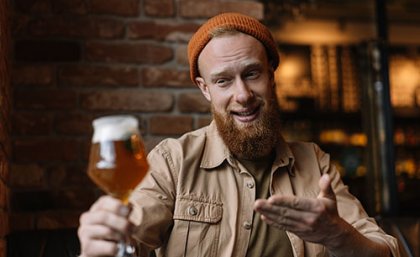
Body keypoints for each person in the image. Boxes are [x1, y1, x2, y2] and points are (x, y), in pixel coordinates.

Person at [77, 12, 400, 257]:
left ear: (271, 76)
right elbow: (130, 237)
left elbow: (387, 250)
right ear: (205, 89)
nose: (243, 94)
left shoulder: (315, 163)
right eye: (223, 81)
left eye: (252, 74)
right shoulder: (173, 161)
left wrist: (337, 234)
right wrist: (103, 242)